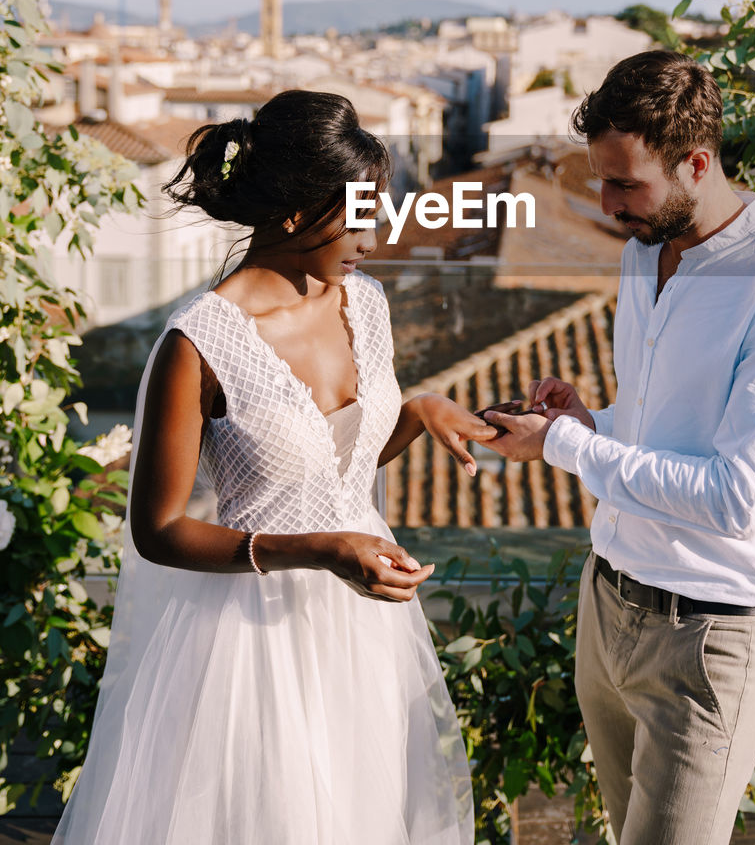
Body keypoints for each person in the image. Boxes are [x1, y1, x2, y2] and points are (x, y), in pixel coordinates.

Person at [54, 90, 491, 845]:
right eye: (358, 213)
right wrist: (316, 551)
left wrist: (416, 412)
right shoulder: (198, 342)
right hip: (251, 638)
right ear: (293, 213)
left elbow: (329, 476)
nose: (374, 232)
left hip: (364, 630)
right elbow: (157, 531)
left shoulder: (369, 303)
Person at [475, 51, 755, 845]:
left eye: (625, 184)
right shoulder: (642, 250)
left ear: (696, 163)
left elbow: (736, 499)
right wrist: (592, 421)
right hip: (607, 603)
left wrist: (568, 448)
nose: (607, 204)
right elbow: (664, 428)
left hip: (708, 638)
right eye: (600, 181)